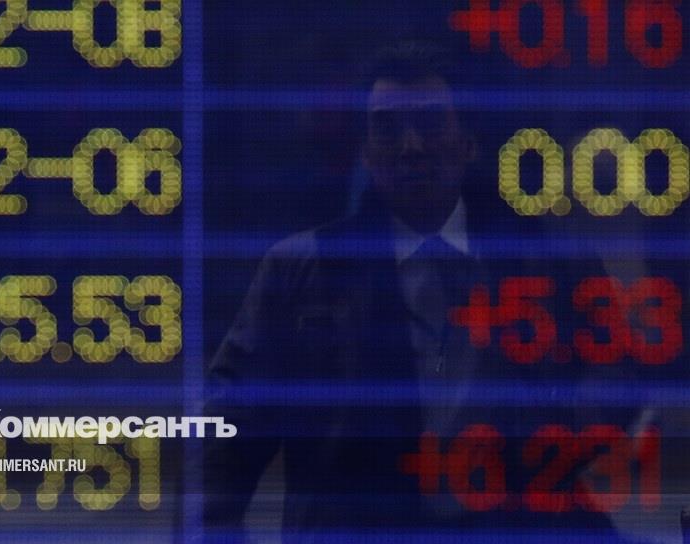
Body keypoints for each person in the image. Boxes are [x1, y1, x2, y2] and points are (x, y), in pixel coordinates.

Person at [203, 41, 616, 542]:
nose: (411, 146)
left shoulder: (555, 264)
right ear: (365, 150)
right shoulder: (301, 271)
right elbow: (227, 430)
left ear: (468, 141)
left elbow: (613, 388)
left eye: (431, 123)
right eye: (387, 128)